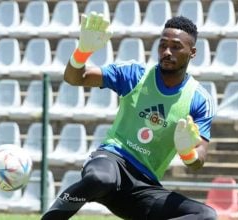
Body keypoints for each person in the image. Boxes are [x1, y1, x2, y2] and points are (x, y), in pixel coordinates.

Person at [42, 12, 217, 220]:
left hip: (144, 187)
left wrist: (188, 152)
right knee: (100, 179)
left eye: (176, 46)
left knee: (206, 215)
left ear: (192, 52)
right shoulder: (135, 74)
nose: (167, 51)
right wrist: (82, 51)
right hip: (112, 160)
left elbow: (199, 160)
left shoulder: (199, 99)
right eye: (162, 45)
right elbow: (74, 78)